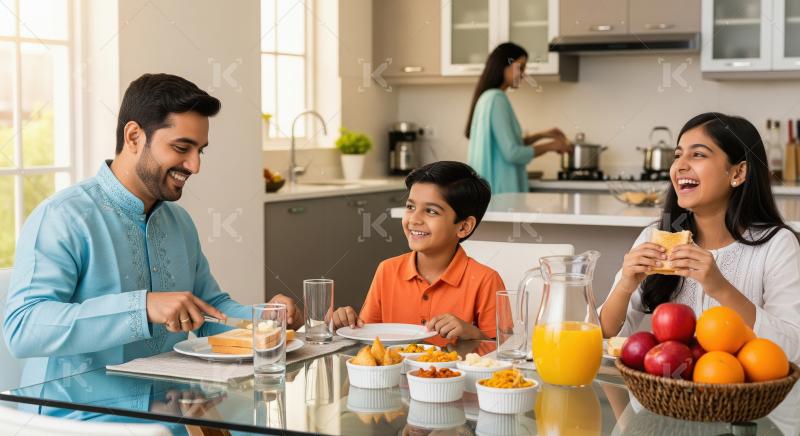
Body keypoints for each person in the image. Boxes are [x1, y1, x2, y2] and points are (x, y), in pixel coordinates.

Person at [3, 73, 302, 387]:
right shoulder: (62, 217)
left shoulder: (179, 223)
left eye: (200, 151)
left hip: (168, 407)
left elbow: (210, 312)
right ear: (134, 137)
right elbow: (23, 329)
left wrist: (265, 319)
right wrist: (142, 307)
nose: (194, 165)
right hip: (79, 418)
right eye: (181, 147)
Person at [599, 112, 800, 364]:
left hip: (746, 399)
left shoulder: (778, 245)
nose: (680, 165)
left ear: (738, 173)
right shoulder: (655, 237)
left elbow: (793, 349)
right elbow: (604, 338)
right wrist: (625, 286)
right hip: (667, 397)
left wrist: (720, 287)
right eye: (677, 155)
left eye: (698, 154)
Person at [330, 161, 505, 345]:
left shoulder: (485, 280)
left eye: (431, 211)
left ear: (463, 226)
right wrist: (344, 324)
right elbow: (368, 340)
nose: (414, 219)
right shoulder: (387, 270)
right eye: (410, 207)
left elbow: (503, 354)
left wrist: (472, 333)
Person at [466, 42, 572, 194]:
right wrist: (552, 146)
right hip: (502, 193)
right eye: (520, 67)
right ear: (504, 65)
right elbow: (512, 153)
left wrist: (542, 135)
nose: (523, 74)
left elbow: (506, 145)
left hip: (492, 192)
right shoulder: (497, 99)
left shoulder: (487, 97)